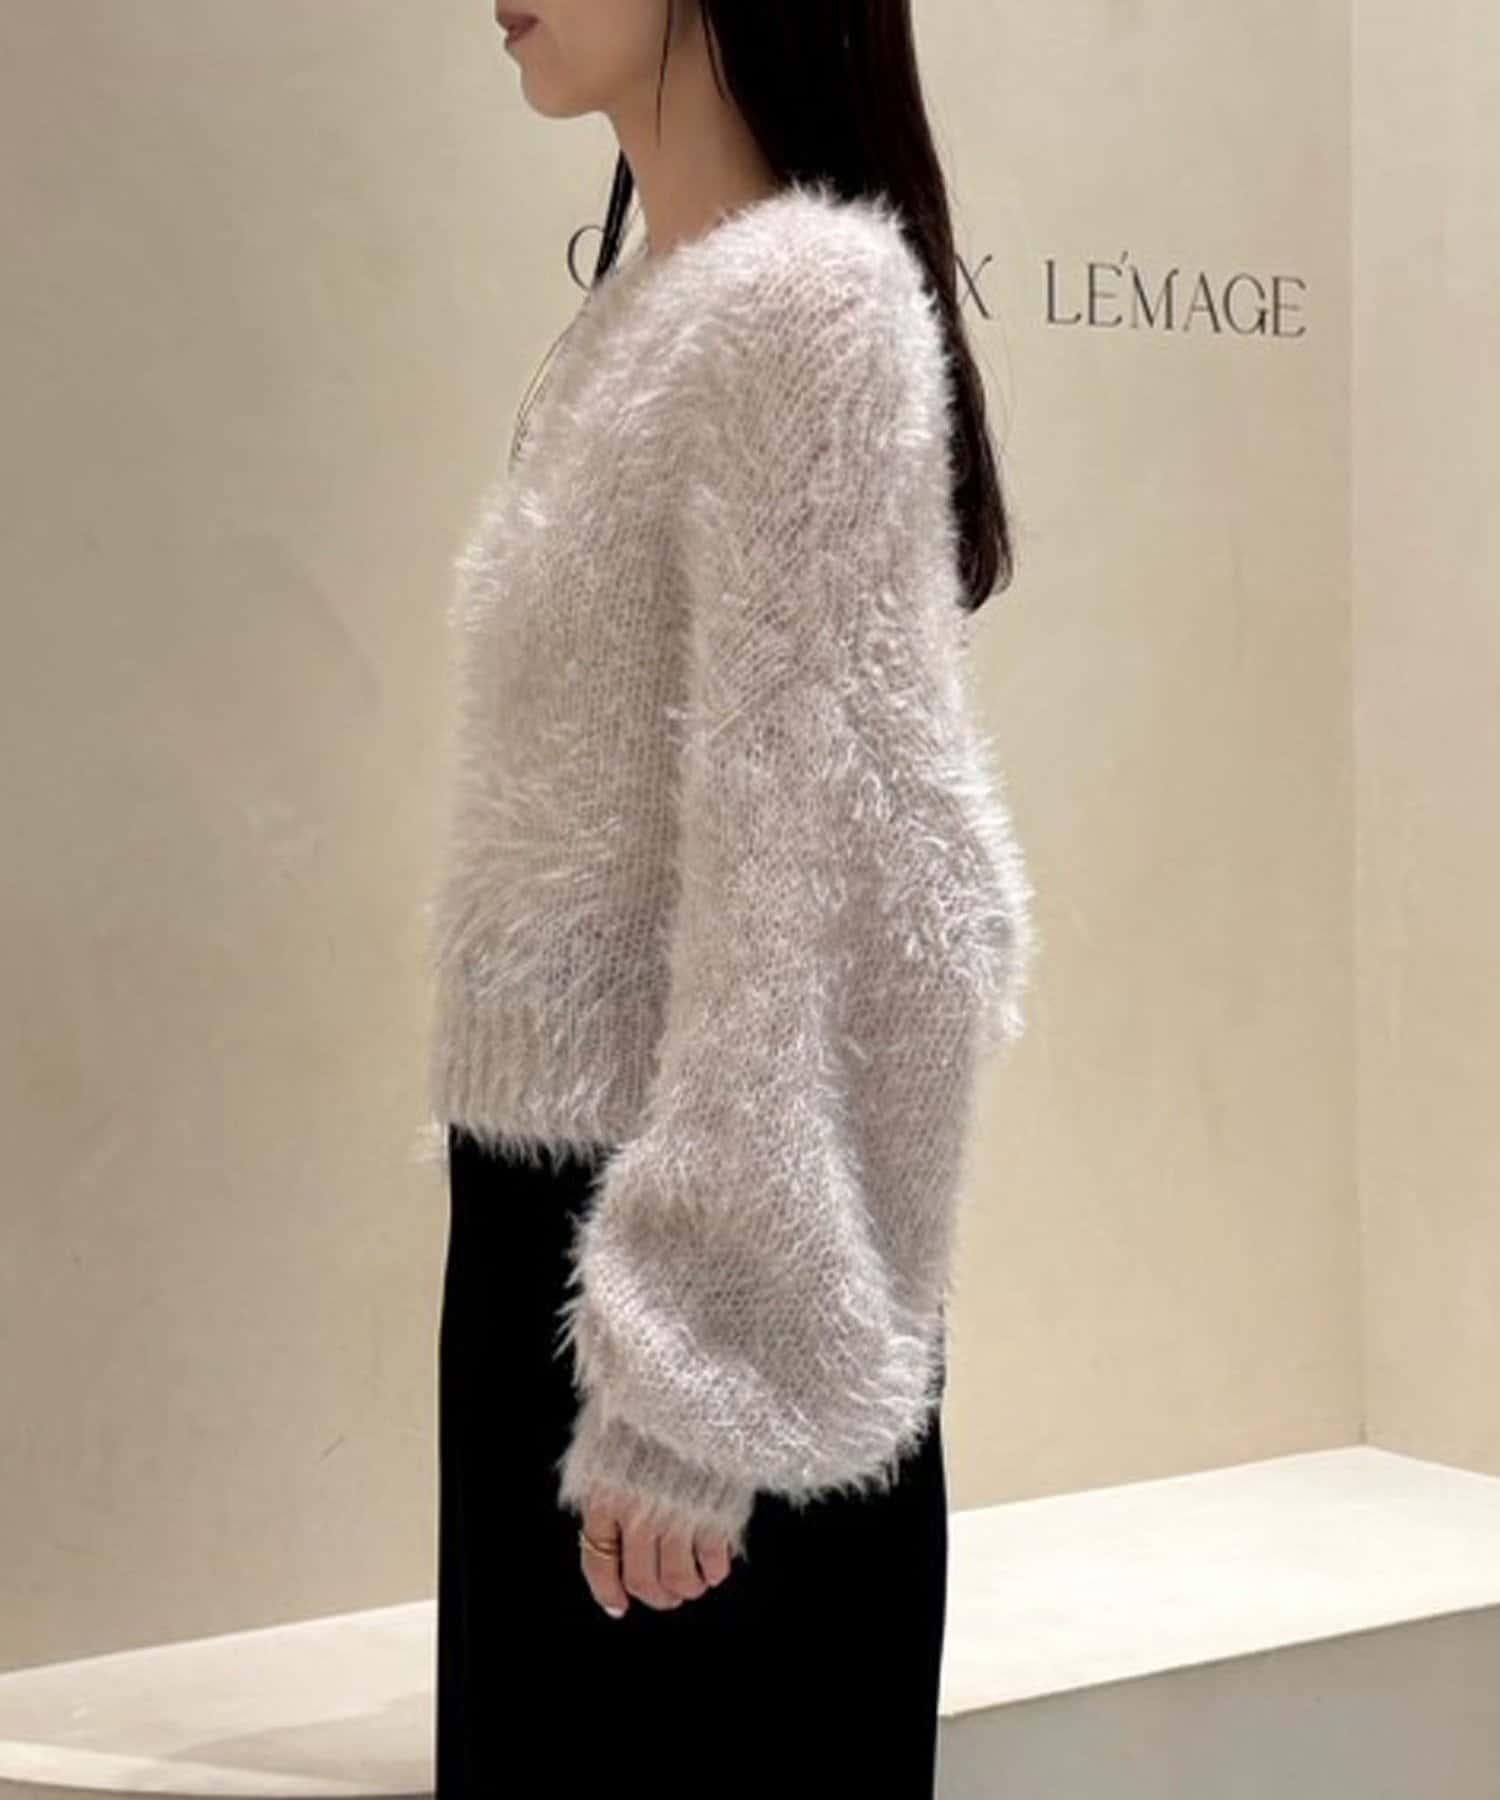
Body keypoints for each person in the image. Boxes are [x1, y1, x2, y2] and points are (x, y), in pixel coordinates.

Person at [426, 2, 1037, 1792]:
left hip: (698, 1305)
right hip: (568, 1254)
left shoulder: (804, 305)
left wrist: (711, 1367)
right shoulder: (639, 323)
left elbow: (849, 876)